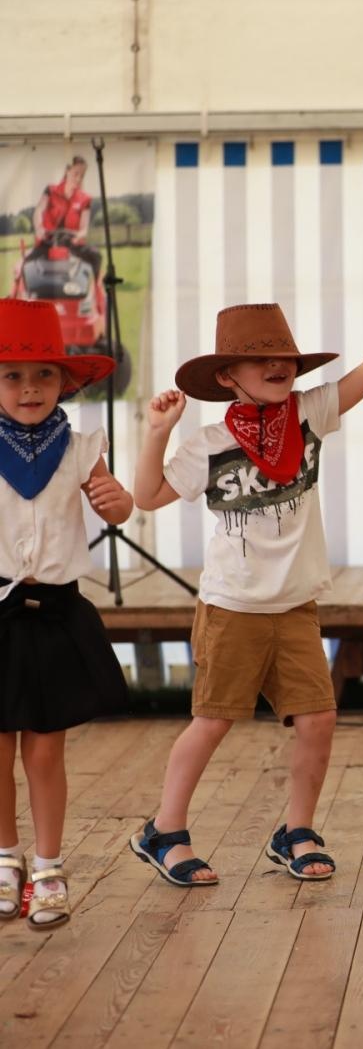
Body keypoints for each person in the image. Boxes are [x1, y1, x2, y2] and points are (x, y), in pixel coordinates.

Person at [129, 289, 363, 886]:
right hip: (232, 607)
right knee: (213, 721)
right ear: (227, 376)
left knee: (318, 720)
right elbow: (147, 497)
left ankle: (296, 831)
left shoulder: (310, 414)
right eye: (260, 358)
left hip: (296, 605)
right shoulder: (208, 443)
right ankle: (164, 830)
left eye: (284, 356)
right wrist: (157, 433)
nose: (277, 365)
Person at [0, 298, 132, 928]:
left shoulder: (79, 449)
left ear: (65, 382)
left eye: (44, 374)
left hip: (53, 613)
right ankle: (6, 859)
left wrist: (117, 499)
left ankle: (49, 866)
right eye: (12, 376)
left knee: (45, 751)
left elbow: (119, 508)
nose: (30, 388)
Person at [28, 157, 102, 277]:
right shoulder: (51, 190)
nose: (78, 179)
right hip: (47, 242)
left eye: (82, 175)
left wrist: (79, 236)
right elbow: (39, 210)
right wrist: (39, 228)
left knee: (95, 255)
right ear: (67, 170)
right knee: (27, 265)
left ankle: (97, 286)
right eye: (76, 173)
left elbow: (84, 229)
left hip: (71, 243)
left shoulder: (85, 199)